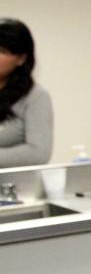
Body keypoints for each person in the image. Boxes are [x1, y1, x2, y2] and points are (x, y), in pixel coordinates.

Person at [0, 19, 53, 167]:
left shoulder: (36, 96)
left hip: (13, 187)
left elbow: (38, 154)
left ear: (21, 59)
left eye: (2, 51)